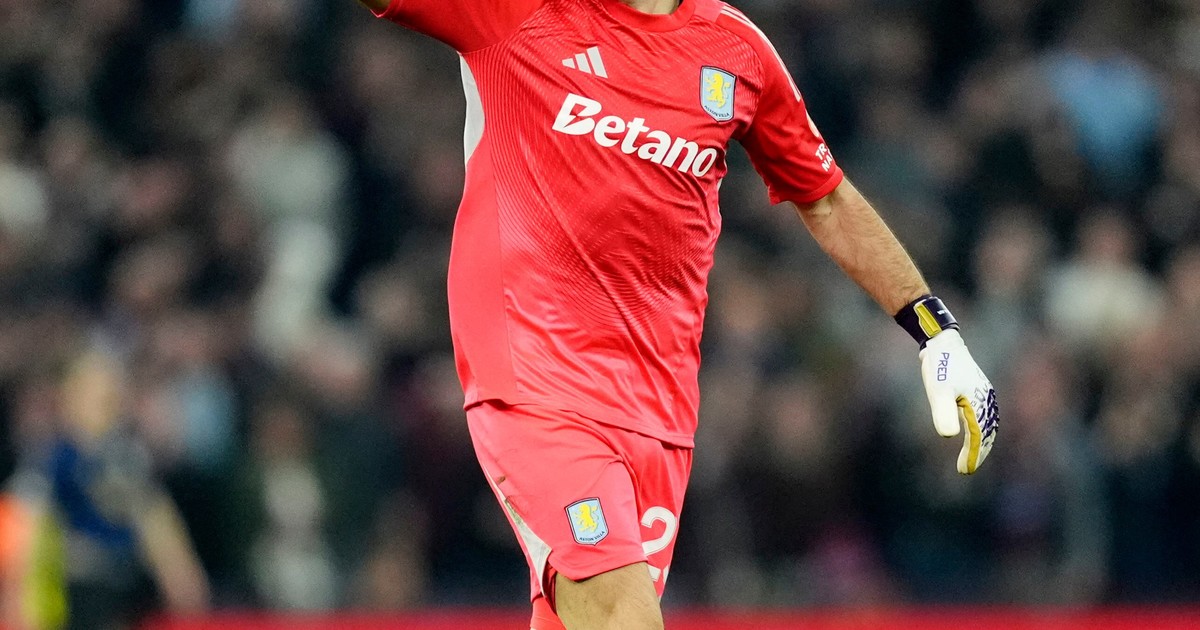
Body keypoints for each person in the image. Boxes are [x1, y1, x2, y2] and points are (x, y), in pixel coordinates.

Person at [357, 0, 999, 628]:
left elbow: (825, 199)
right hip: (537, 384)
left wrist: (935, 332)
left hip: (658, 414)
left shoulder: (737, 49)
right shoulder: (519, 13)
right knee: (623, 615)